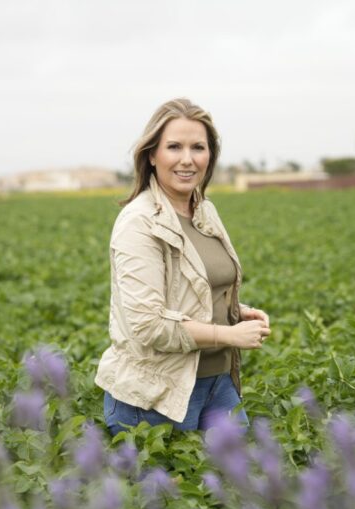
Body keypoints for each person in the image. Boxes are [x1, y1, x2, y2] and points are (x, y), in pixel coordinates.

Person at [95, 98, 270, 435]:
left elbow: (195, 288)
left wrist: (236, 311)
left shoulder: (205, 211)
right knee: (168, 488)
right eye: (174, 147)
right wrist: (227, 334)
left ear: (210, 156)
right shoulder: (139, 222)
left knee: (240, 483)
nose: (187, 159)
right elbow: (147, 324)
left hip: (218, 383)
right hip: (157, 396)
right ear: (152, 155)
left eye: (198, 147)